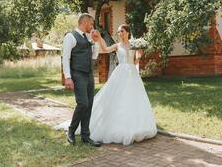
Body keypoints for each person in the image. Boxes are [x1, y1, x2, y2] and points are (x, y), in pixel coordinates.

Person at [89, 24, 157, 145]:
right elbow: (105, 49)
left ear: (127, 33)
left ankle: (137, 126)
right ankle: (118, 126)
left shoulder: (134, 45)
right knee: (119, 98)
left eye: (122, 31)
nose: (119, 33)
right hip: (120, 73)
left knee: (134, 99)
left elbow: (135, 61)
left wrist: (139, 57)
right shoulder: (117, 46)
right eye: (118, 32)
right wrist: (99, 38)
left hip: (132, 75)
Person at [62, 13, 101, 147]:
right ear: (85, 23)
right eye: (91, 24)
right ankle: (71, 131)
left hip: (89, 75)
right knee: (83, 103)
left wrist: (95, 42)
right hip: (78, 74)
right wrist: (67, 77)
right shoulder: (70, 36)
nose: (92, 26)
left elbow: (94, 56)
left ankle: (86, 136)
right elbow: (65, 58)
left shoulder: (88, 38)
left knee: (89, 105)